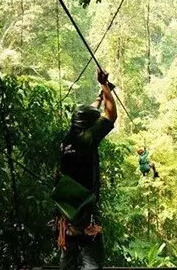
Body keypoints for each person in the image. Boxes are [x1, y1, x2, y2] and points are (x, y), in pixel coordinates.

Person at [57, 69, 117, 270]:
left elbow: (90, 112)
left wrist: (100, 97)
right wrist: (104, 85)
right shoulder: (87, 141)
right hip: (84, 214)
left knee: (68, 262)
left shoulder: (70, 137)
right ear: (89, 126)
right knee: (92, 262)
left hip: (67, 211)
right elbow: (111, 115)